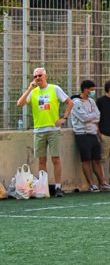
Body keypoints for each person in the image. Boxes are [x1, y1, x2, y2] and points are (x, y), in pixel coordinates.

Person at [16, 66, 72, 197]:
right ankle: (43, 186)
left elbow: (70, 103)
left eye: (40, 75)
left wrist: (64, 118)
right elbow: (20, 103)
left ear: (45, 76)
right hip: (39, 130)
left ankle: (58, 186)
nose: (37, 78)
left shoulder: (54, 88)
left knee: (56, 159)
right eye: (35, 76)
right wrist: (30, 88)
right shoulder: (33, 92)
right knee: (41, 160)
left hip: (53, 129)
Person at [68, 80, 104, 192]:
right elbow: (84, 118)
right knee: (86, 160)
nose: (92, 92)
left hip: (93, 134)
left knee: (97, 160)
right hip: (82, 134)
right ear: (85, 89)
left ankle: (102, 182)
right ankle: (91, 184)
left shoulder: (92, 101)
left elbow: (98, 116)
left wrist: (91, 117)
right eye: (91, 90)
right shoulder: (76, 102)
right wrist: (91, 117)